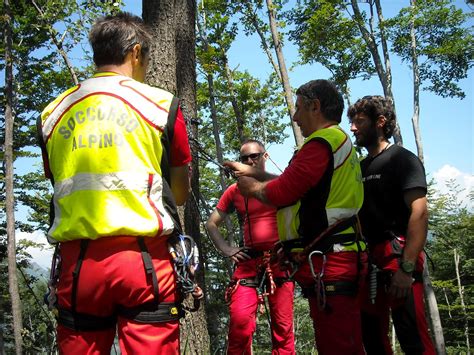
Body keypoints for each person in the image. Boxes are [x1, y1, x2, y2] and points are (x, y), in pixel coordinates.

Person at [37, 12, 194, 354]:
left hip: (78, 265)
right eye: (147, 58)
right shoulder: (161, 105)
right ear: (136, 52)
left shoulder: (52, 113)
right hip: (144, 262)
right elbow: (179, 192)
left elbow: (58, 182)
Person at [229, 80, 368, 355]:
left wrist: (252, 188)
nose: (295, 117)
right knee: (341, 341)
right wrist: (252, 173)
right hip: (333, 256)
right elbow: (295, 181)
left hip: (332, 259)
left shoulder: (321, 142)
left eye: (299, 108)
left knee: (337, 345)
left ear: (315, 106)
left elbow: (284, 191)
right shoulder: (335, 142)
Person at [348, 95, 435, 354]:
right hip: (369, 262)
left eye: (359, 121)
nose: (353, 127)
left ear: (380, 121)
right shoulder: (360, 168)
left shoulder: (402, 159)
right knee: (372, 337)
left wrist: (406, 269)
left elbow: (419, 213)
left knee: (412, 338)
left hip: (398, 259)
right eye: (352, 121)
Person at [206, 139, 295, 355]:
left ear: (265, 157)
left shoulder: (280, 183)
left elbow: (298, 204)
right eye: (244, 158)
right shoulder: (235, 191)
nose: (249, 161)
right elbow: (211, 224)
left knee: (283, 331)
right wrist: (227, 249)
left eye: (254, 156)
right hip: (249, 263)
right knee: (240, 325)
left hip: (279, 262)